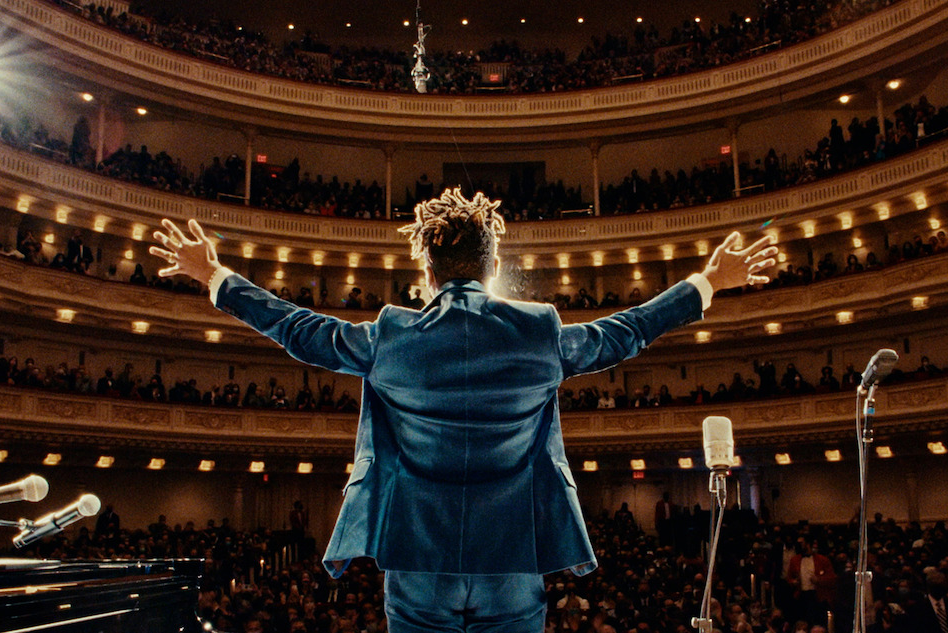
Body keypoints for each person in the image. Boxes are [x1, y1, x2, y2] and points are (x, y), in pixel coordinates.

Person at [149, 187, 776, 633]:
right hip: (512, 552)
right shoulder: (539, 331)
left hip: (418, 553)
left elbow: (298, 328)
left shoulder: (392, 335)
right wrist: (707, 283)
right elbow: (624, 332)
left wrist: (216, 277)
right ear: (493, 263)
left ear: (424, 267)